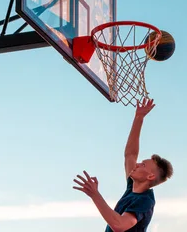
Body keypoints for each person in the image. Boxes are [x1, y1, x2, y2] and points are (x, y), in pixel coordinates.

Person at [73, 98, 174, 232]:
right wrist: (139, 117)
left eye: (143, 165)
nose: (137, 164)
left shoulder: (145, 201)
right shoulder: (132, 187)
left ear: (150, 176)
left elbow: (119, 225)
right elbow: (130, 155)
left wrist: (95, 194)